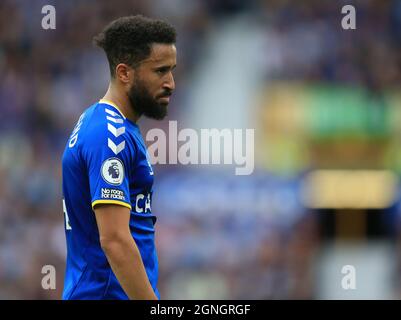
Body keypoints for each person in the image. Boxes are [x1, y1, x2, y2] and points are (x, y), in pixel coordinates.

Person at [61, 15, 177, 300]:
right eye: (160, 71)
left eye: (172, 70)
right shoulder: (108, 135)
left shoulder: (114, 126)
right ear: (125, 73)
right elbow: (114, 240)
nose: (171, 83)